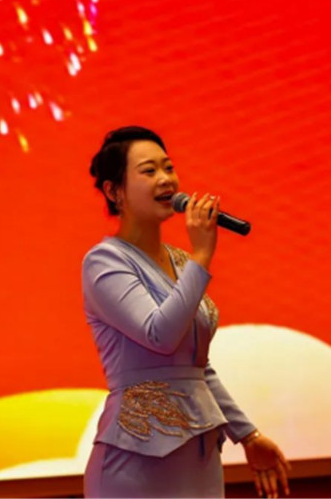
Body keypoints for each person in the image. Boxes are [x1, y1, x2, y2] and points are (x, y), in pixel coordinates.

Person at [81, 126, 291, 498]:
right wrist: (203, 254)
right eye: (149, 171)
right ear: (114, 192)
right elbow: (160, 336)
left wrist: (247, 435)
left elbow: (196, 368)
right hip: (136, 459)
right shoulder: (104, 261)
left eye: (169, 167)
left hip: (199, 457)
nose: (166, 179)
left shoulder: (181, 262)